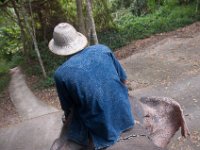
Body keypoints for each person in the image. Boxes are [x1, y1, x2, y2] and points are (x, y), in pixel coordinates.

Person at [49, 22, 134, 150]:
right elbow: (123, 80)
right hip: (125, 113)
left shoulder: (61, 74)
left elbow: (69, 108)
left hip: (102, 128)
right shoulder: (103, 49)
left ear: (58, 48)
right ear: (78, 38)